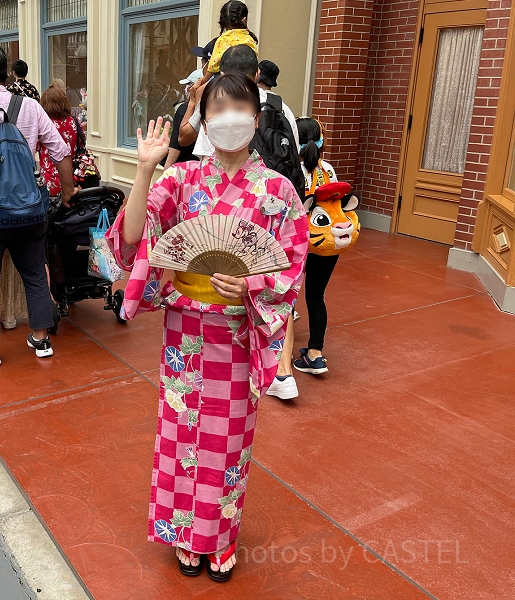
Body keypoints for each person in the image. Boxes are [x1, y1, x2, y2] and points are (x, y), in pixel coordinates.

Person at [106, 73, 308, 581]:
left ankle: (219, 537)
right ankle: (183, 534)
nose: (228, 119)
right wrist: (144, 171)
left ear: (256, 119)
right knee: (180, 437)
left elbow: (290, 265)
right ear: (203, 120)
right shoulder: (181, 181)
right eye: (216, 110)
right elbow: (131, 242)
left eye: (239, 108)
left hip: (238, 334)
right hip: (185, 334)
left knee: (226, 443)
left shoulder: (278, 190)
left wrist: (252, 288)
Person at [0, 40, 76, 368]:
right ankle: (41, 338)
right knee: (34, 273)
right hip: (30, 211)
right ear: (6, 72)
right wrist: (65, 192)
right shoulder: (30, 107)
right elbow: (61, 152)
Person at [268, 118, 358, 399]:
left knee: (287, 296)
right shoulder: (328, 168)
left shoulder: (290, 169)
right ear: (320, 140)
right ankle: (315, 353)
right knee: (316, 295)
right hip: (327, 240)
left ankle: (281, 361)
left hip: (299, 240)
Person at [180, 45, 300, 157]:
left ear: (222, 75)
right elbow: (293, 153)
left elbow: (205, 155)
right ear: (258, 74)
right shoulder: (281, 108)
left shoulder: (216, 107)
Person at [192, 1, 259, 91]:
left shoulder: (223, 39)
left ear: (223, 23)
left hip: (227, 83)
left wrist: (203, 80)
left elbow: (214, 64)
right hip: (247, 83)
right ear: (244, 20)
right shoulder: (250, 39)